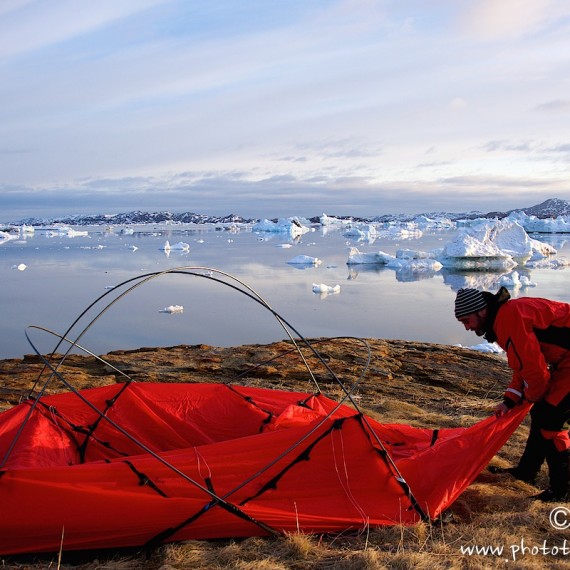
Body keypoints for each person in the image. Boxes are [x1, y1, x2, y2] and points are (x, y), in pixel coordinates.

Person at [454, 286, 570, 502]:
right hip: (563, 360)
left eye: (466, 320)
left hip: (567, 362)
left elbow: (535, 372)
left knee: (551, 419)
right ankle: (527, 473)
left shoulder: (508, 318)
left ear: (481, 311)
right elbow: (523, 365)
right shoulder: (502, 318)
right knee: (542, 412)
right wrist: (511, 399)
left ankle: (562, 491)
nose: (467, 327)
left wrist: (529, 397)